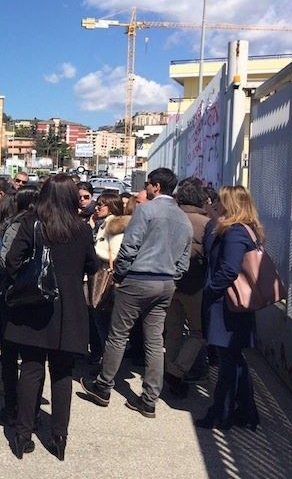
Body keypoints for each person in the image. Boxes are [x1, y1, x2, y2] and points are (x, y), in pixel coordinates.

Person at [81, 168, 192, 419]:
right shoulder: (183, 218)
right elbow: (184, 258)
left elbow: (130, 245)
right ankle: (150, 398)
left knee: (118, 334)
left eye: (150, 185)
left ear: (156, 187)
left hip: (139, 277)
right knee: (154, 340)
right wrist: (173, 277)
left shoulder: (146, 210)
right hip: (165, 282)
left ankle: (103, 386)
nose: (148, 189)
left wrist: (120, 273)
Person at [5, 175, 99, 461]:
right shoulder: (81, 228)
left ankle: (23, 434)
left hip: (34, 303)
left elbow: (12, 261)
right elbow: (92, 265)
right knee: (63, 373)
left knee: (31, 369)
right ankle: (59, 436)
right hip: (69, 307)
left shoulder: (32, 223)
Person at [195, 185, 262, 431]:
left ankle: (221, 414)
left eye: (221, 201)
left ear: (230, 204)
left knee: (227, 362)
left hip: (227, 305)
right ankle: (247, 411)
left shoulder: (234, 232)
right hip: (234, 305)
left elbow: (229, 269)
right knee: (235, 360)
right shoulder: (245, 229)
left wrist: (211, 290)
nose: (216, 205)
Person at [0, 186, 37, 423]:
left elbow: (6, 263)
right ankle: (30, 409)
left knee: (11, 351)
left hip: (13, 293)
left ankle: (13, 403)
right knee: (32, 359)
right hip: (36, 294)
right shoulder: (45, 224)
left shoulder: (16, 225)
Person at [164, 178, 211, 399]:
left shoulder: (170, 217)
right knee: (198, 332)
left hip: (168, 281)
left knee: (172, 331)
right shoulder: (206, 223)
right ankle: (178, 370)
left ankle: (169, 370)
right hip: (195, 284)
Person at [88, 192, 128, 364]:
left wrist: (92, 249)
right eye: (97, 203)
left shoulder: (115, 224)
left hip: (105, 275)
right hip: (98, 273)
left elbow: (116, 252)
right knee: (98, 318)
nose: (97, 207)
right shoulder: (102, 223)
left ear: (111, 207)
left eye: (102, 204)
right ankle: (102, 358)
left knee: (102, 319)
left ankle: (107, 363)